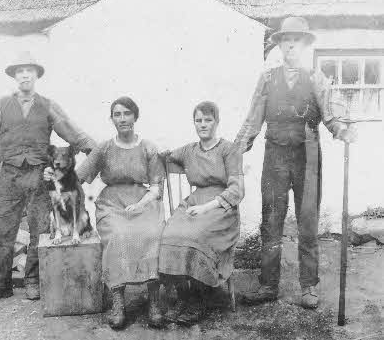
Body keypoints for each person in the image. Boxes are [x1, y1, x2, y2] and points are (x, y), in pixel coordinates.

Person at [234, 17, 356, 309]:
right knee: (271, 222)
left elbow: (330, 117)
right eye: (285, 39)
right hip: (275, 155)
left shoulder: (316, 78)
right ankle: (268, 285)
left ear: (304, 45)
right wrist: (236, 149)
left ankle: (309, 287)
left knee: (308, 223)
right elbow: (253, 119)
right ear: (279, 44)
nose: (290, 44)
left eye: (296, 40)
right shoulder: (267, 78)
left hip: (307, 156)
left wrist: (343, 130)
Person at [0, 51, 96, 305]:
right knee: (0, 229)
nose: (25, 74)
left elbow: (74, 133)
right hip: (9, 175)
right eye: (20, 71)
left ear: (36, 75)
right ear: (14, 76)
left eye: (29, 70)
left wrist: (96, 152)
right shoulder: (1, 104)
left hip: (39, 175)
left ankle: (33, 280)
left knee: (39, 229)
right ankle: (0, 284)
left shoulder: (49, 105)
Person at [70, 96, 165, 329]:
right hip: (111, 204)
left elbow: (156, 187)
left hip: (143, 201)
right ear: (111, 119)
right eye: (117, 114)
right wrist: (55, 177)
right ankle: (118, 301)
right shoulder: (104, 147)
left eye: (127, 113)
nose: (122, 119)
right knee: (118, 235)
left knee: (152, 232)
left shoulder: (148, 147)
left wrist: (142, 205)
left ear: (135, 116)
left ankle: (154, 301)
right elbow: (78, 176)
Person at [158, 101, 244, 325]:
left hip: (221, 209)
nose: (203, 125)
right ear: (194, 123)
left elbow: (236, 189)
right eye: (198, 120)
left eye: (208, 120)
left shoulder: (229, 149)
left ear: (216, 122)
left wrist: (207, 207)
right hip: (194, 202)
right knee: (169, 234)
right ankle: (184, 296)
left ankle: (198, 299)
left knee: (196, 236)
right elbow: (164, 157)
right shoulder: (189, 150)